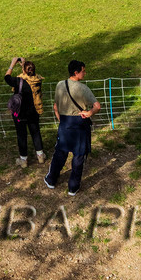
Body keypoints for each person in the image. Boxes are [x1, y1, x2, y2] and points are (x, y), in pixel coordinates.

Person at [45, 60, 100, 195]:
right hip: (80, 125)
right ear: (76, 72)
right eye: (83, 71)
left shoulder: (59, 85)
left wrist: (61, 119)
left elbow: (55, 106)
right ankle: (73, 187)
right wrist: (89, 113)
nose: (85, 73)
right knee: (79, 155)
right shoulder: (83, 89)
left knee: (60, 152)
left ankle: (51, 179)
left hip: (65, 124)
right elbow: (97, 106)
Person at [4, 57, 46, 166]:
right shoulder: (38, 79)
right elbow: (28, 76)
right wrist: (24, 65)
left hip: (20, 113)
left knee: (21, 135)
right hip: (34, 111)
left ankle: (23, 160)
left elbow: (7, 78)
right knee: (35, 132)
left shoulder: (19, 81)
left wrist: (12, 64)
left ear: (23, 71)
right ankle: (40, 155)